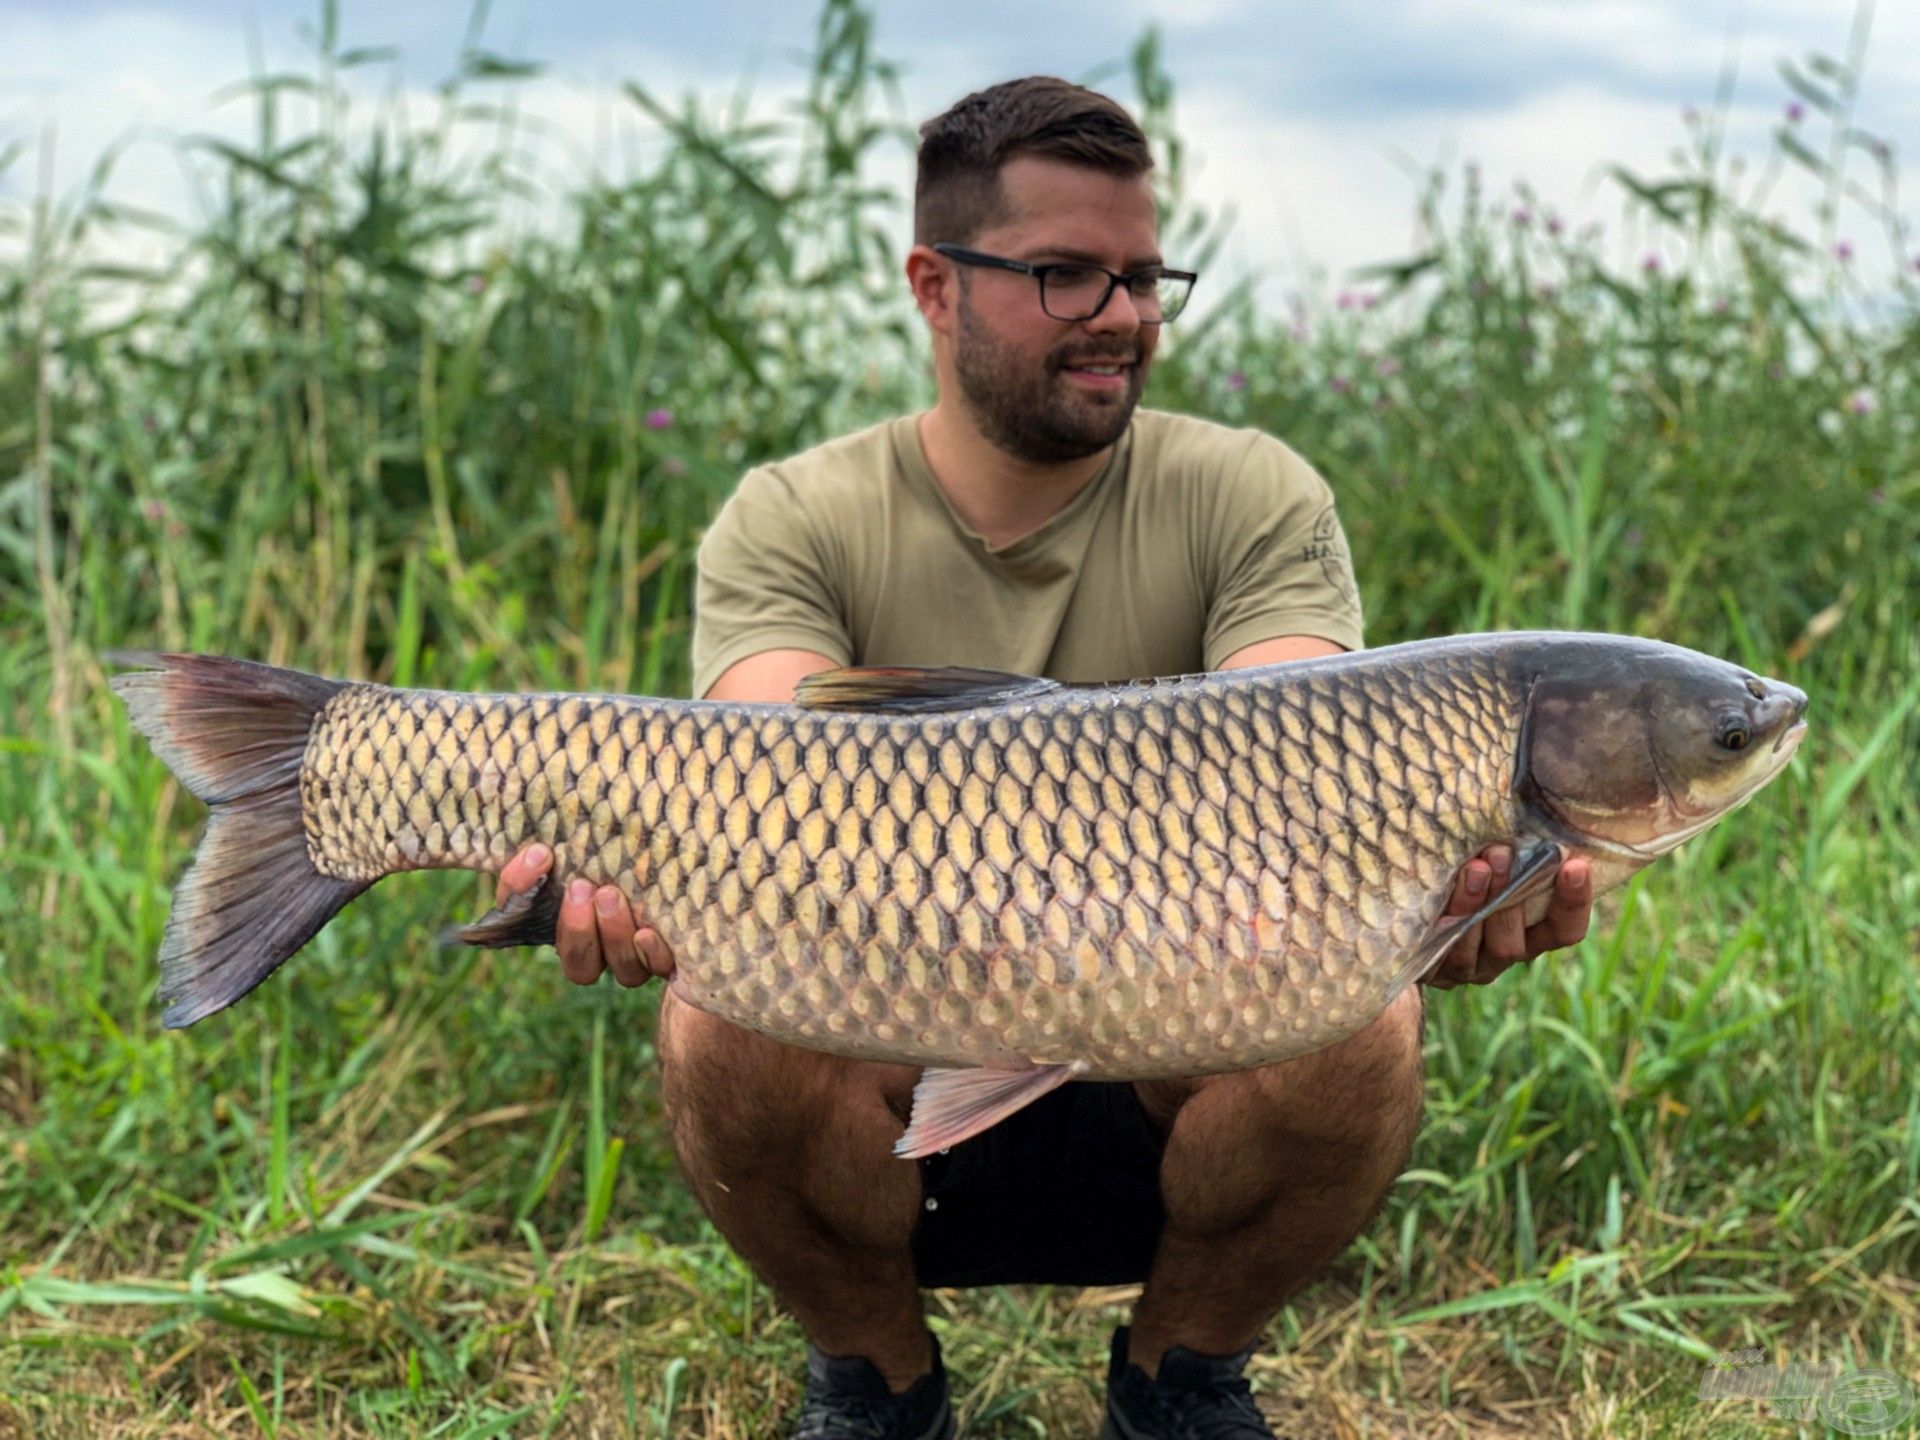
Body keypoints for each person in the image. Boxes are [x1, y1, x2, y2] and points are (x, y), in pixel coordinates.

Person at [491, 77, 1595, 1440]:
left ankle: (1181, 1378)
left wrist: (1437, 900)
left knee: (1363, 1019)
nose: (1121, 317)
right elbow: (761, 784)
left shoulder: (1252, 494)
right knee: (714, 1013)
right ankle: (877, 1383)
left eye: (1141, 277)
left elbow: (1309, 752)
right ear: (934, 287)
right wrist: (620, 883)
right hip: (880, 1055)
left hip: (1175, 1040)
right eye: (1065, 276)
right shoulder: (793, 516)